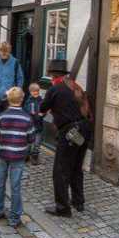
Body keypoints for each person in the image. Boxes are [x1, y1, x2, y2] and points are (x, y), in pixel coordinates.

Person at [39, 59, 92, 218]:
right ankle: (78, 202)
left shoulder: (55, 89)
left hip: (69, 132)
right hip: (84, 128)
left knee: (61, 170)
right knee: (76, 167)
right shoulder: (74, 85)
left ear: (52, 75)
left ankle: (62, 207)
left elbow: (42, 108)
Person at [0, 87, 34, 228]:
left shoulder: (2, 116)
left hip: (3, 154)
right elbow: (31, 138)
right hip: (19, 156)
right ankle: (14, 217)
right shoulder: (27, 118)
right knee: (15, 186)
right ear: (22, 99)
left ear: (8, 99)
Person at [24, 83, 44, 165]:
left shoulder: (41, 100)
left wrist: (43, 114)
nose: (36, 93)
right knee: (28, 142)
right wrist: (30, 113)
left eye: (37, 91)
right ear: (30, 92)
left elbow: (44, 110)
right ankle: (26, 156)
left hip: (39, 126)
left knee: (37, 143)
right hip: (30, 126)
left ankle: (35, 157)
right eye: (34, 91)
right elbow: (26, 111)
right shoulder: (28, 101)